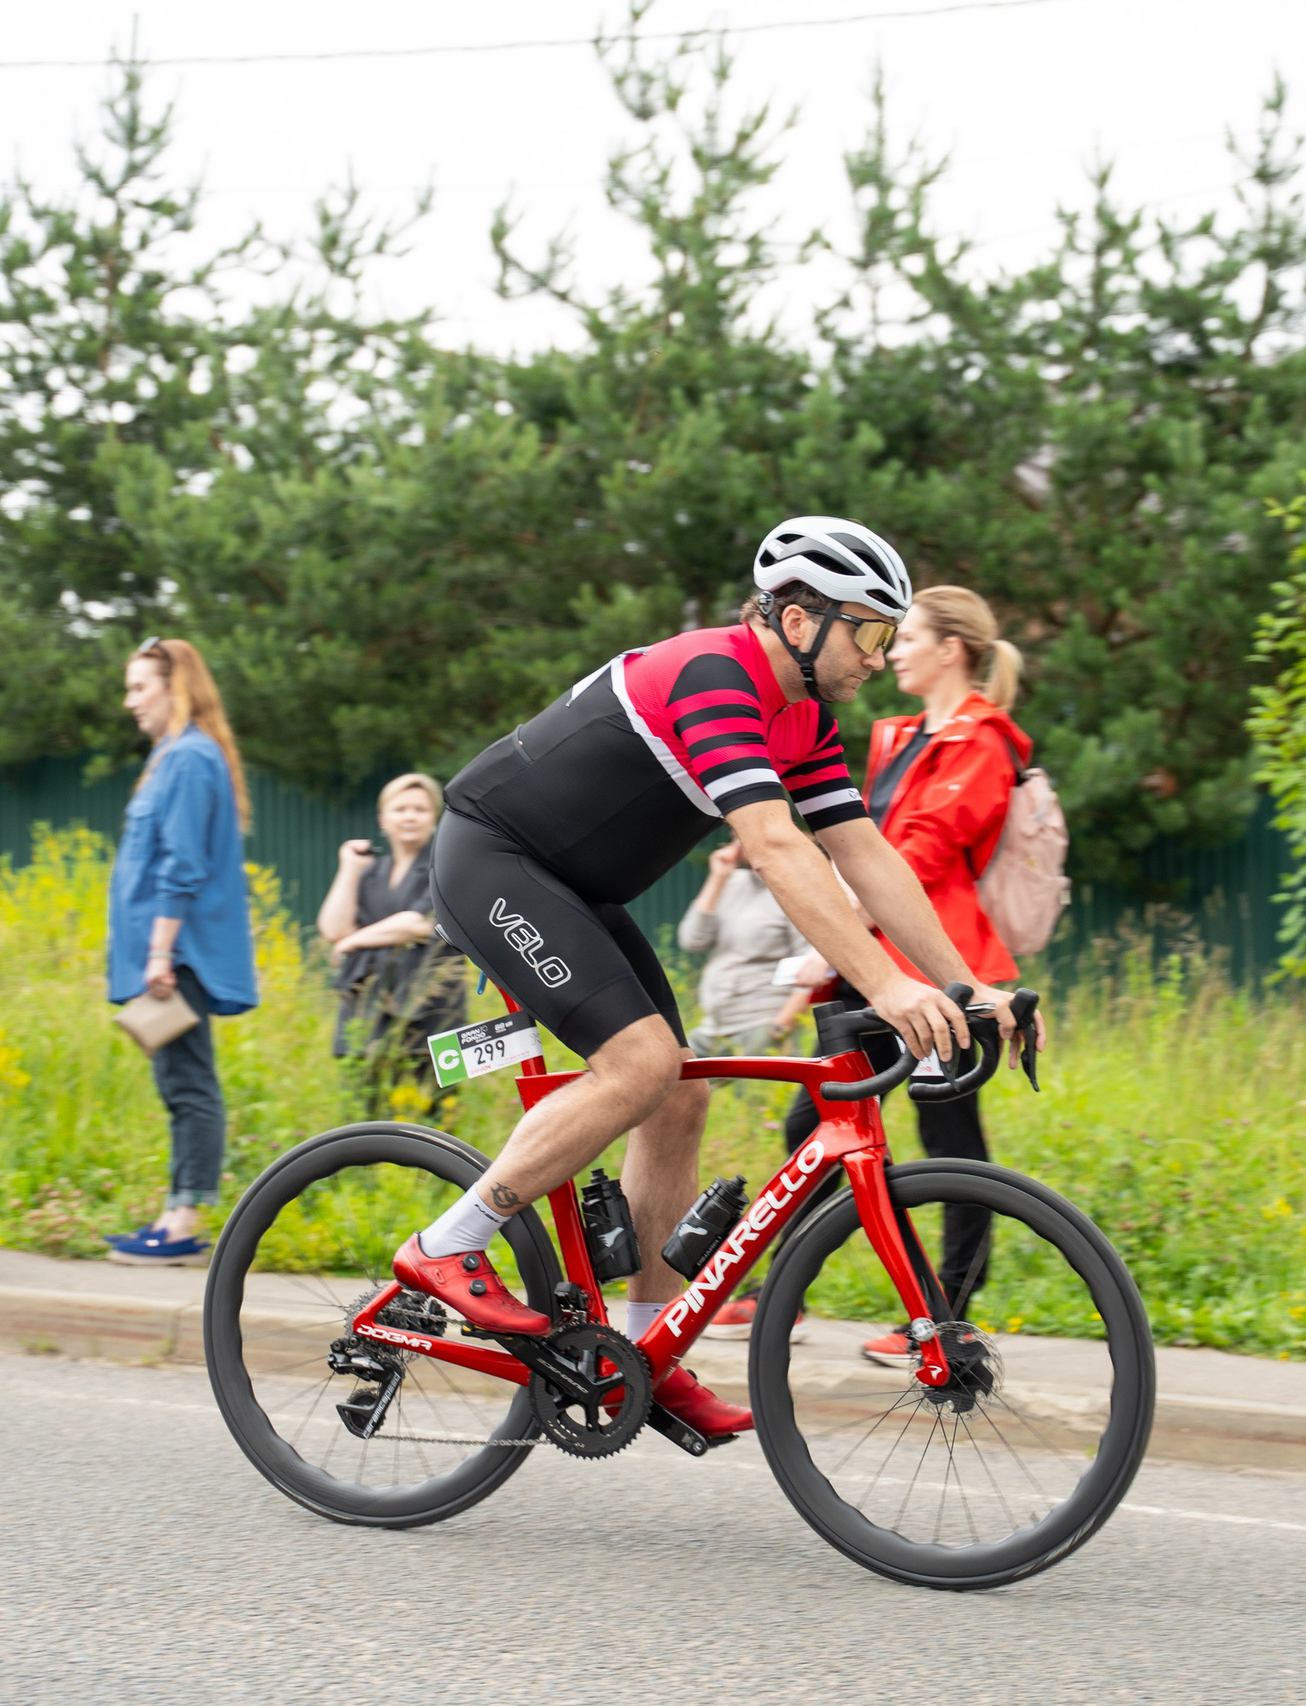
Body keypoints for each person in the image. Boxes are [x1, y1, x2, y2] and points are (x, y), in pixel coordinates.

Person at [401, 515, 1032, 1440]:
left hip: (577, 889)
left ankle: (648, 1355)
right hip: (493, 858)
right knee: (642, 1065)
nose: (877, 654)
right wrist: (891, 990)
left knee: (677, 1096)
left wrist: (964, 984)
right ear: (796, 615)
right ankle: (445, 1247)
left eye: (890, 636)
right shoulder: (715, 673)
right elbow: (776, 847)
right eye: (866, 630)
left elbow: (866, 854)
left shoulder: (805, 718)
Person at [715, 585, 1033, 1360]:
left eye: (910, 636)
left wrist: (828, 932)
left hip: (938, 969)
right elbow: (863, 839)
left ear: (951, 649)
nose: (891, 652)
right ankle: (778, 1294)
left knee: (950, 1141)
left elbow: (917, 858)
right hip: (869, 969)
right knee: (815, 1123)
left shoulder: (983, 742)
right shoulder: (896, 735)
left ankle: (947, 1313)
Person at [103, 638, 260, 1267]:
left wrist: (160, 952)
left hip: (179, 954)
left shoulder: (191, 758)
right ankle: (174, 1212)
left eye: (139, 687)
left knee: (189, 1083)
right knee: (179, 1080)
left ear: (176, 688)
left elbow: (184, 864)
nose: (129, 701)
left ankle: (184, 1222)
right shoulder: (173, 756)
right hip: (169, 952)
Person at [318, 772, 468, 1110]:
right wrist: (349, 868)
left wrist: (352, 942)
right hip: (366, 1017)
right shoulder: (370, 872)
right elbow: (332, 928)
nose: (410, 816)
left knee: (439, 1115)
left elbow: (415, 924)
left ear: (434, 818)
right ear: (382, 819)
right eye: (400, 809)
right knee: (364, 1117)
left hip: (436, 1016)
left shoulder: (446, 865)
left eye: (420, 808)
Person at [676, 833, 812, 1059]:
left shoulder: (795, 891)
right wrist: (717, 878)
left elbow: (810, 968)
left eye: (744, 833)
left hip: (760, 1025)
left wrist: (778, 1028)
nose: (738, 843)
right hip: (714, 1028)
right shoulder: (732, 882)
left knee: (751, 1095)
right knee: (674, 1084)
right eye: (735, 836)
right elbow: (692, 940)